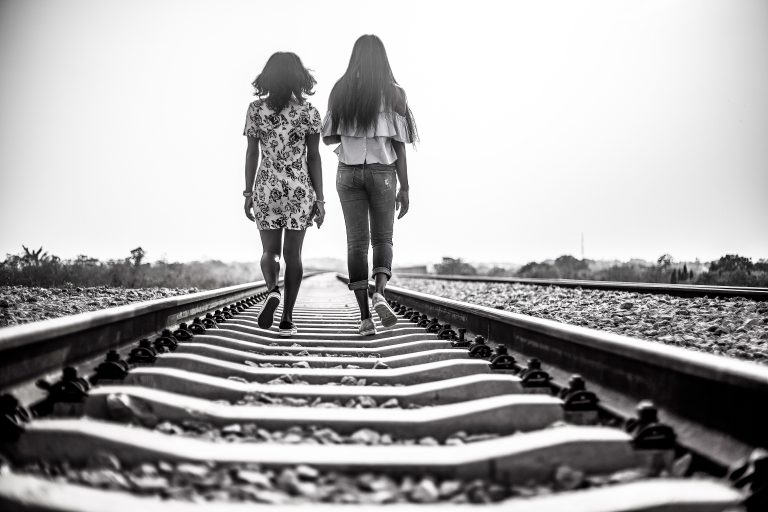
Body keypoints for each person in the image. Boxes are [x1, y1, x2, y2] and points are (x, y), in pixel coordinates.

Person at [322, 34, 418, 336]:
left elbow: (329, 136)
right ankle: (379, 294)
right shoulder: (395, 94)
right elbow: (400, 146)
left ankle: (365, 318)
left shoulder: (340, 90)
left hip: (348, 174)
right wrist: (405, 187)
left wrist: (355, 133)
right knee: (383, 239)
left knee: (356, 243)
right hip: (384, 173)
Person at [243, 52, 325, 337]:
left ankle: (272, 291)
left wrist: (248, 192)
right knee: (294, 254)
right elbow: (314, 157)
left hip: (266, 186)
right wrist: (321, 199)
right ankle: (287, 318)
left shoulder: (255, 109)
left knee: (269, 252)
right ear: (299, 78)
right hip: (299, 188)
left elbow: (252, 153)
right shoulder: (309, 112)